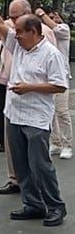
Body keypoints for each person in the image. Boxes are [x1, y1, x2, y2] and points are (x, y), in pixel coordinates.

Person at [0, 0, 69, 227]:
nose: (15, 36)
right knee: (21, 164)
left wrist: (30, 87)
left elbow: (59, 85)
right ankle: (32, 203)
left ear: (34, 32)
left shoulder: (50, 54)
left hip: (36, 117)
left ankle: (55, 205)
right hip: (14, 114)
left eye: (20, 32)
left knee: (40, 164)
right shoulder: (18, 46)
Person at [36, 8, 73, 159]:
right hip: (47, 76)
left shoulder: (64, 30)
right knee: (50, 111)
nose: (49, 19)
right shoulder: (44, 33)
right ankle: (55, 142)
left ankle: (67, 144)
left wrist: (42, 15)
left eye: (53, 16)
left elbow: (55, 27)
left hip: (61, 76)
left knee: (62, 111)